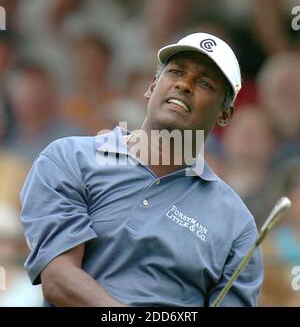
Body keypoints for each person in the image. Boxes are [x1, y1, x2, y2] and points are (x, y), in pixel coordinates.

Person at [20, 32, 263, 307]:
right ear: (152, 85)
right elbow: (58, 281)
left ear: (224, 114)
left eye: (205, 82)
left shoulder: (236, 224)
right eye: (176, 72)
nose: (184, 85)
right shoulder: (69, 158)